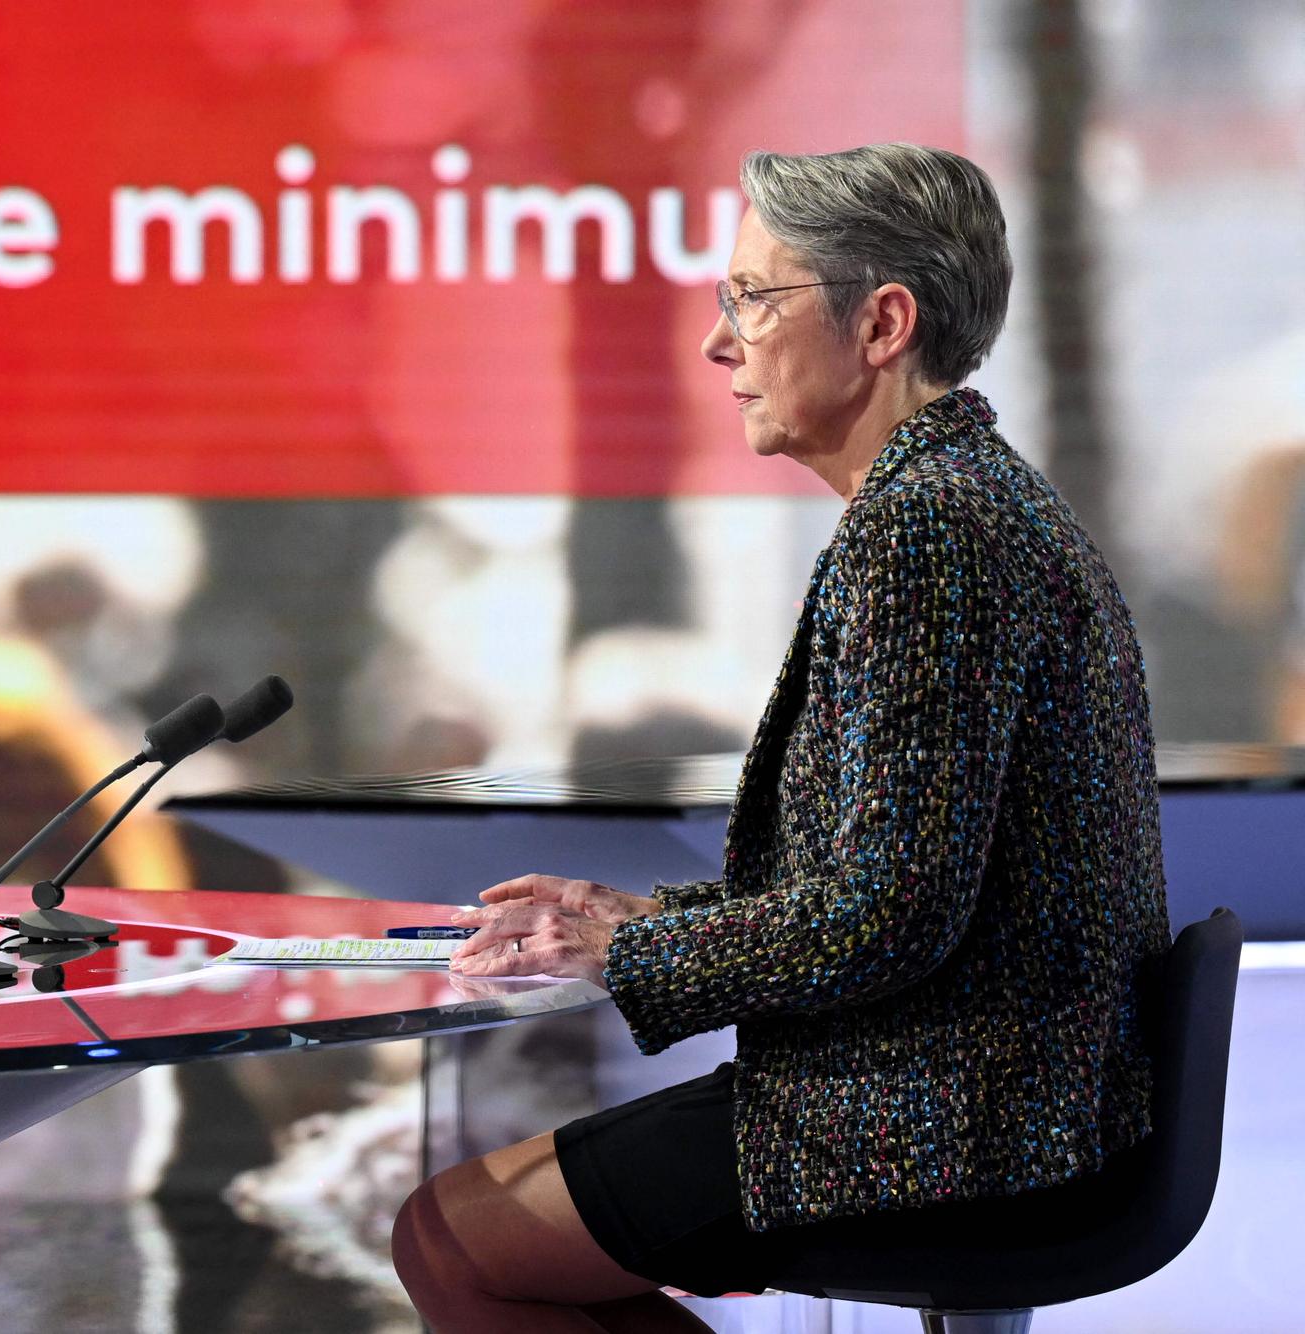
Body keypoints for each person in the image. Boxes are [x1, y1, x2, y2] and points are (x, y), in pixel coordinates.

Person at [391, 143, 1172, 1332]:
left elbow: (891, 911)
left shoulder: (929, 529)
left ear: (882, 324)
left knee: (451, 1241)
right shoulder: (960, 498)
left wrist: (623, 953)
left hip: (958, 1125)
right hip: (999, 1103)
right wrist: (640, 916)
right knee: (465, 1231)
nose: (719, 343)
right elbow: (886, 879)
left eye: (752, 299)